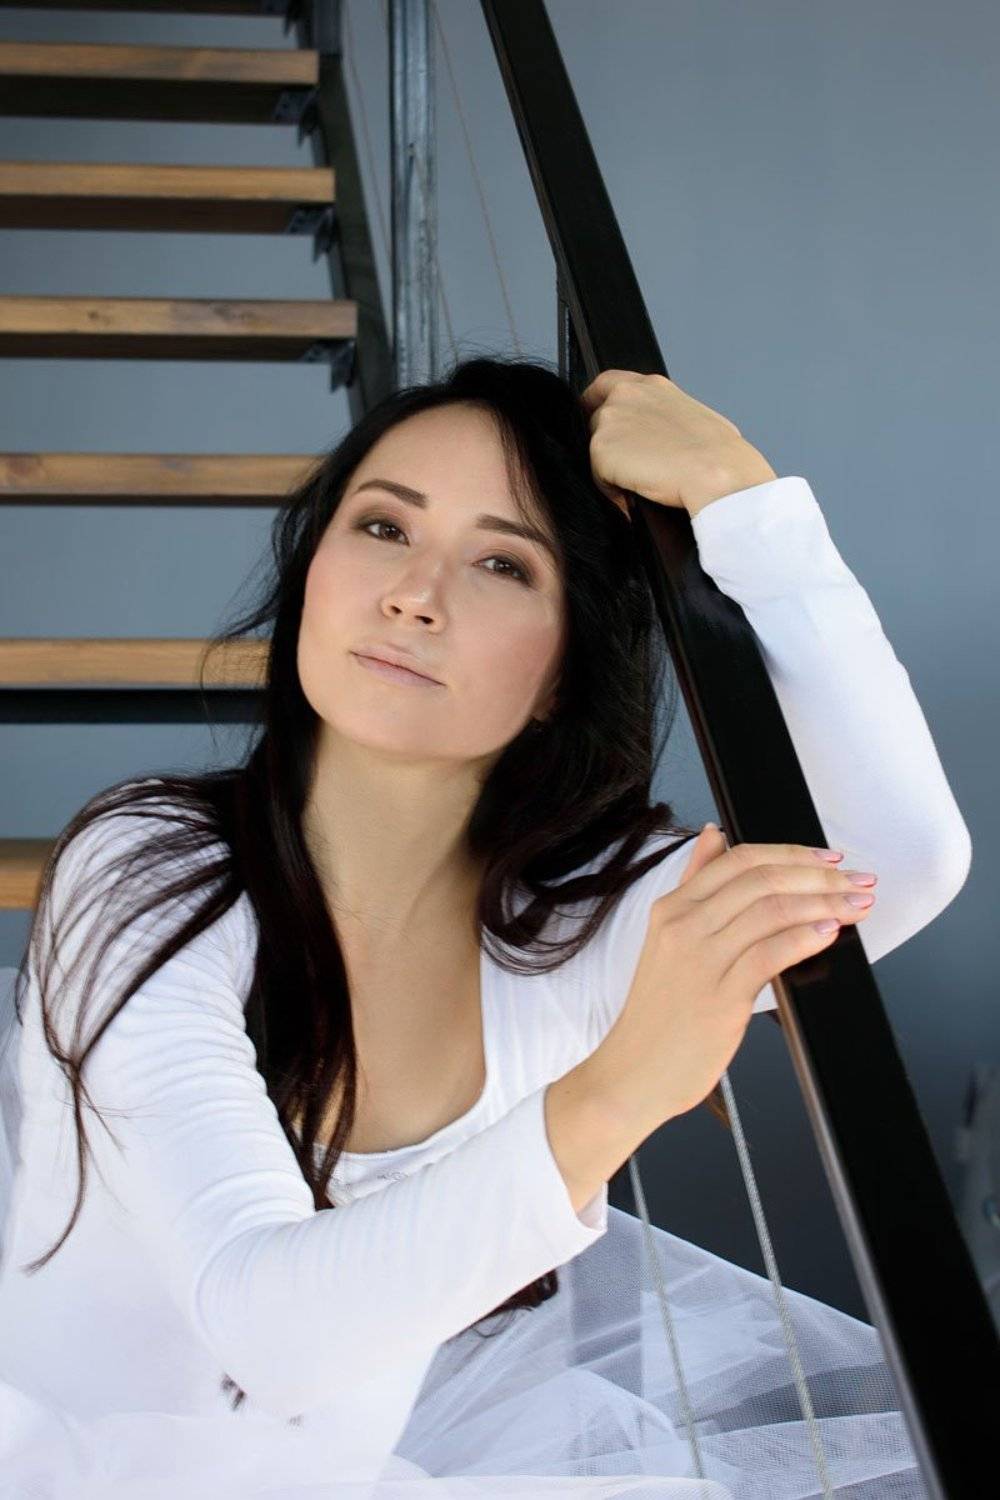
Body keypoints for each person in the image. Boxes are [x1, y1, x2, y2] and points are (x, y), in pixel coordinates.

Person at [0, 357, 971, 1499]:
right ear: (312, 573)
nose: (415, 595)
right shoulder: (148, 867)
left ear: (562, 673)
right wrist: (623, 1086)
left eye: (502, 562)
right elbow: (270, 1329)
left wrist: (744, 500)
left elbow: (897, 862)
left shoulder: (568, 919)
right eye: (383, 527)